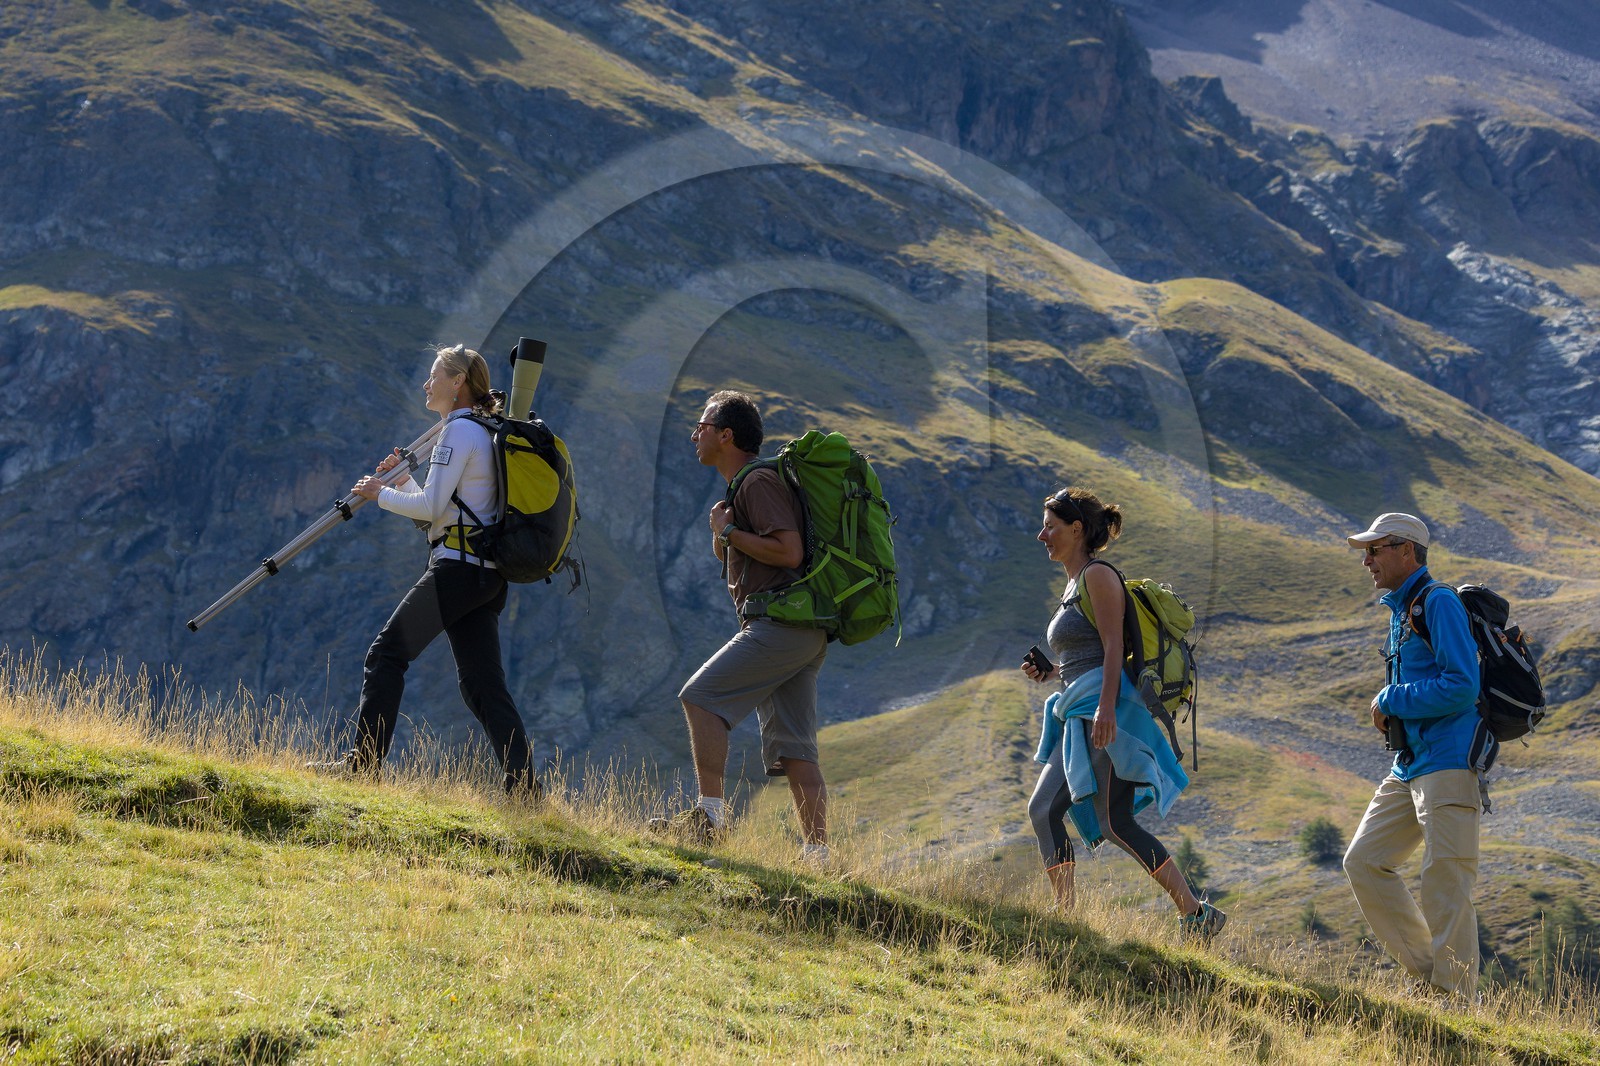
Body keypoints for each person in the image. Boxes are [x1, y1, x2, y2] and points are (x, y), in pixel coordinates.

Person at [311, 344, 537, 797]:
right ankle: (524, 788)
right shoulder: (484, 431)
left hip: (457, 569)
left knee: (386, 655)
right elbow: (447, 512)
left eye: (434, 376)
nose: (426, 384)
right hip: (485, 575)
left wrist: (378, 492)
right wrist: (401, 482)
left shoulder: (459, 431)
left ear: (458, 382)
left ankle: (363, 767)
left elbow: (433, 508)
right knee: (482, 685)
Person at [1022, 486, 1224, 937]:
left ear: (1077, 529)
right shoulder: (1074, 583)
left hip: (1105, 713)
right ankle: (1069, 919)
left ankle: (1196, 914)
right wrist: (1051, 672)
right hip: (1078, 711)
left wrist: (1106, 710)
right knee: (1046, 810)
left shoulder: (1098, 575)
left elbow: (1115, 646)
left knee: (1114, 822)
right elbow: (1088, 655)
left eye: (1050, 527)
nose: (1042, 535)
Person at [652, 390, 830, 863]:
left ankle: (710, 817)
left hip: (780, 624)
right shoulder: (747, 486)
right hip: (802, 629)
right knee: (795, 748)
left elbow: (788, 551)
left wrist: (728, 532)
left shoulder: (757, 482)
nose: (695, 434)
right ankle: (818, 856)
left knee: (701, 697)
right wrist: (724, 535)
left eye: (703, 426)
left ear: (726, 435)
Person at [1342, 512, 1490, 998]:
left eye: (1375, 549)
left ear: (1407, 551)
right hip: (1410, 765)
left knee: (1446, 883)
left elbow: (1462, 685)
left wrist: (1390, 699)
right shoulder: (1402, 609)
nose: (1367, 560)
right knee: (1364, 862)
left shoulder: (1438, 601)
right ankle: (1434, 982)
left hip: (1449, 762)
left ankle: (1455, 1002)